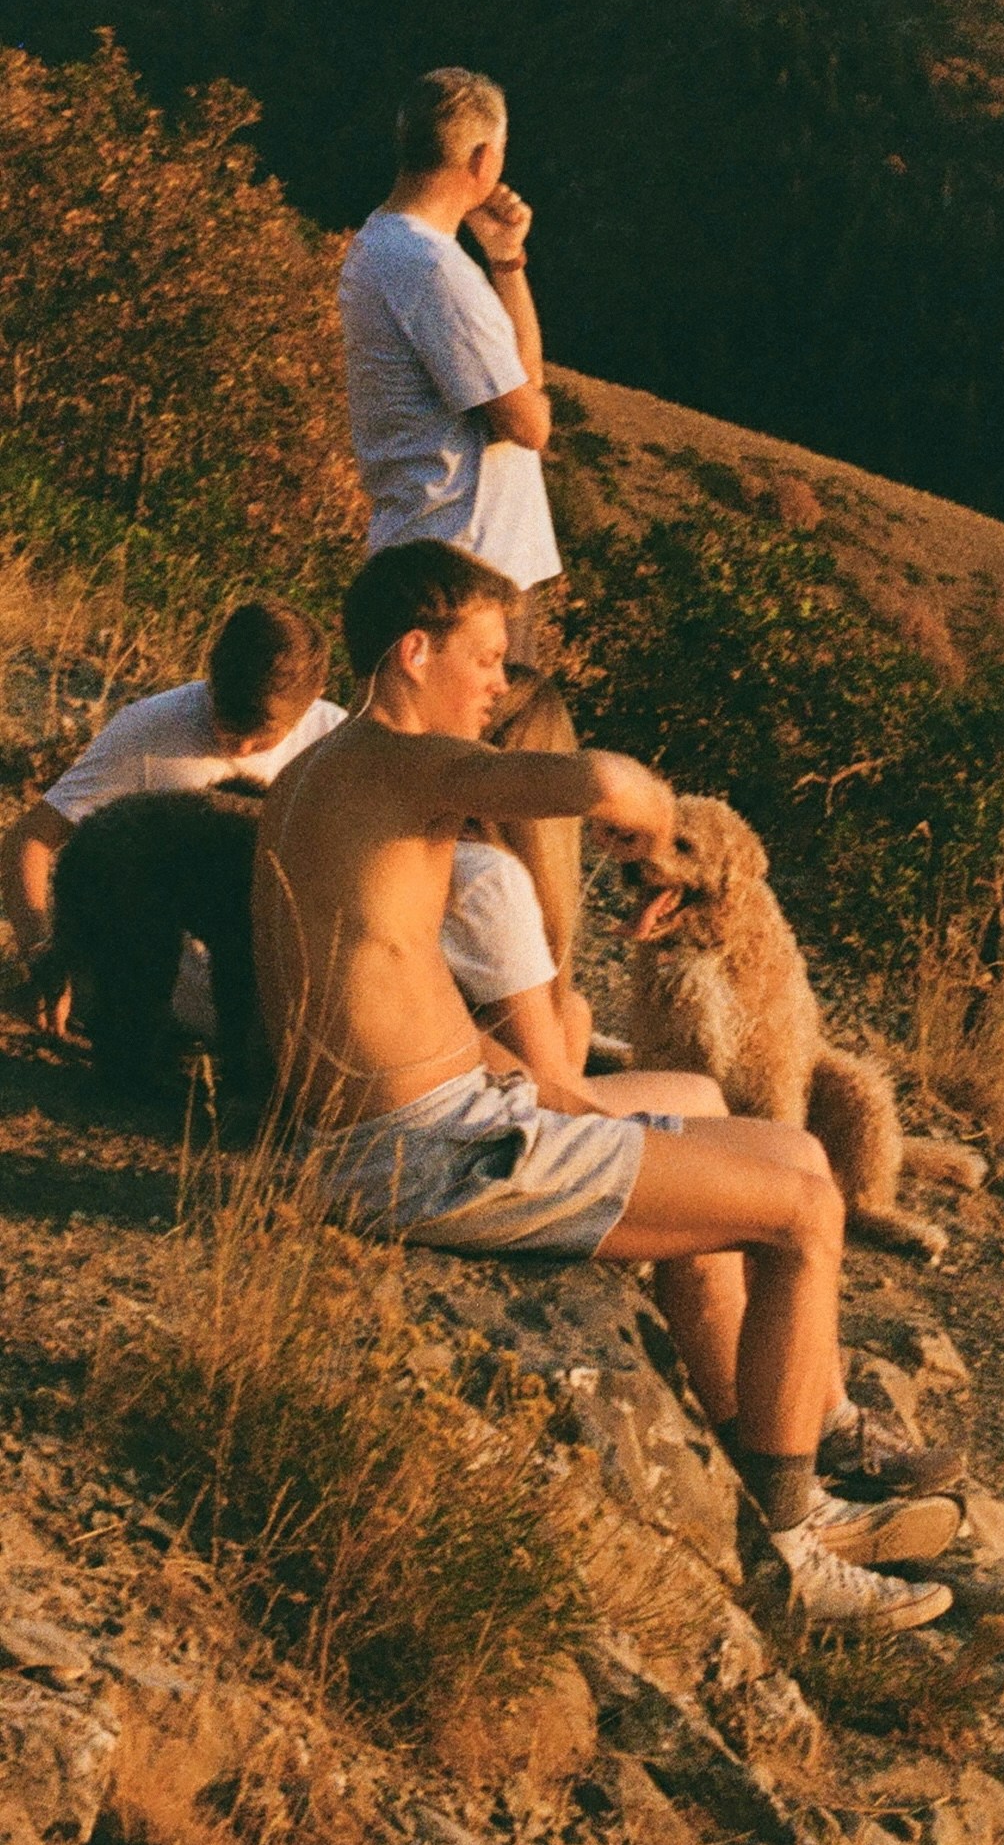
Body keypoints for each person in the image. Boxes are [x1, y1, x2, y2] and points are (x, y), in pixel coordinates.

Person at [254, 539, 953, 1627]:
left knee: (792, 1152)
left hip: (442, 1121)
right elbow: (600, 780)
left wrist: (546, 1089)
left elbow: (389, 995)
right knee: (808, 1209)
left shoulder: (322, 775)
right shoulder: (402, 760)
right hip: (432, 1156)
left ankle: (782, 1466)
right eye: (488, 657)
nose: (498, 683)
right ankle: (788, 1551)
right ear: (413, 649)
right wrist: (647, 813)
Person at [3, 600, 343, 1033]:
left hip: (271, 1005)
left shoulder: (335, 745)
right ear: (211, 677)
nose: (236, 749)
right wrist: (43, 951)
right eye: (225, 721)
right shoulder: (151, 727)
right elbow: (30, 838)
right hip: (145, 993)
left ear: (312, 702)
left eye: (259, 737)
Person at [336, 69, 561, 660]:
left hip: (423, 545)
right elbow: (529, 423)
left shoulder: (379, 245)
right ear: (484, 159)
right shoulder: (433, 269)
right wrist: (529, 397)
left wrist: (506, 259)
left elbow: (518, 381)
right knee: (482, 749)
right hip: (470, 571)